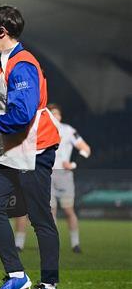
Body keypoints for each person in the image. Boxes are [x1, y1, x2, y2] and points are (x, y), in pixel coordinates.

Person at [0, 5, 61, 289]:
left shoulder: (22, 64)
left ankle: (49, 287)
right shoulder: (3, 61)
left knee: (40, 219)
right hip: (12, 146)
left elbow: (22, 115)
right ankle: (17, 277)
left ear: (2, 31)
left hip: (36, 147)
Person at [49, 103, 91, 253]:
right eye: (52, 113)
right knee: (51, 211)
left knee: (68, 210)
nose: (56, 116)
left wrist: (73, 164)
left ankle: (75, 243)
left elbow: (86, 149)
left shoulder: (68, 131)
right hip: (47, 174)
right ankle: (53, 243)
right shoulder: (41, 131)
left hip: (64, 175)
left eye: (58, 113)